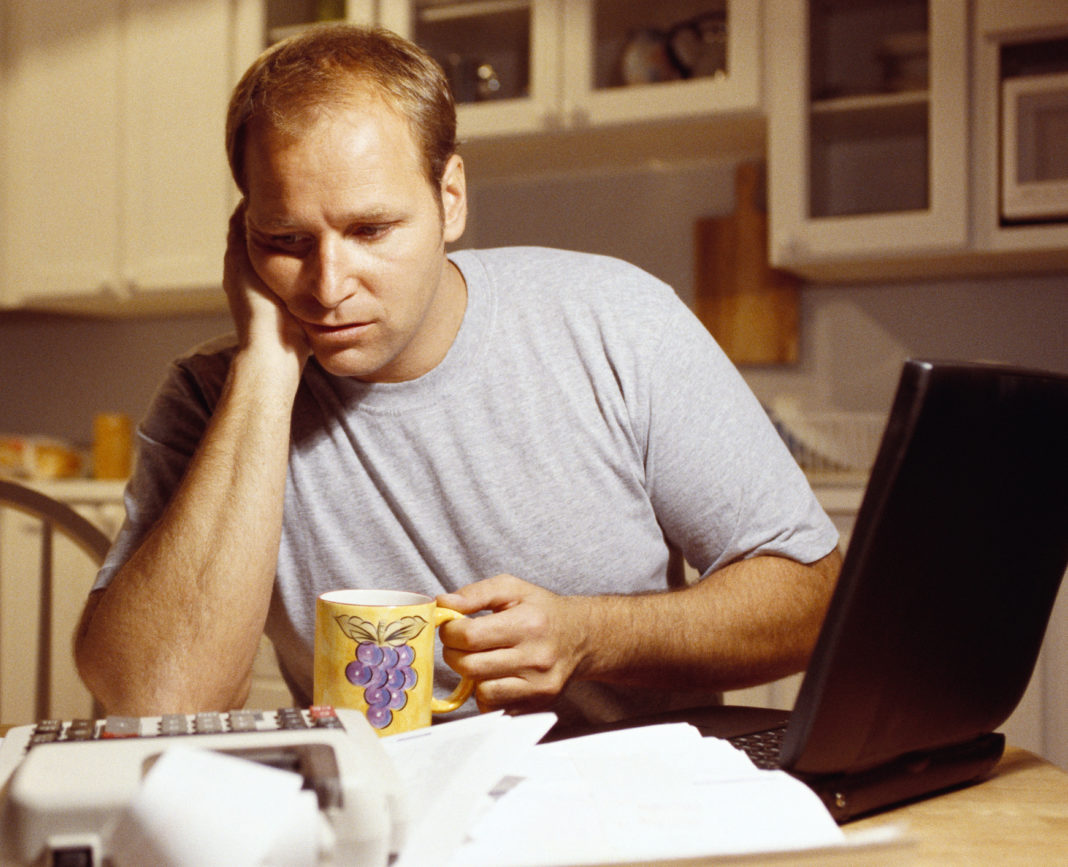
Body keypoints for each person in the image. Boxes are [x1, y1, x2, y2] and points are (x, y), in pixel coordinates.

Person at [74, 24, 842, 731]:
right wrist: (269, 369)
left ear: (451, 198)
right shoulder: (215, 392)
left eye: (371, 229)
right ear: (243, 237)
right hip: (376, 819)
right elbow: (155, 699)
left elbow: (810, 596)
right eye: (285, 239)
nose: (327, 283)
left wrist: (592, 635)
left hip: (616, 809)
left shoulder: (617, 320)